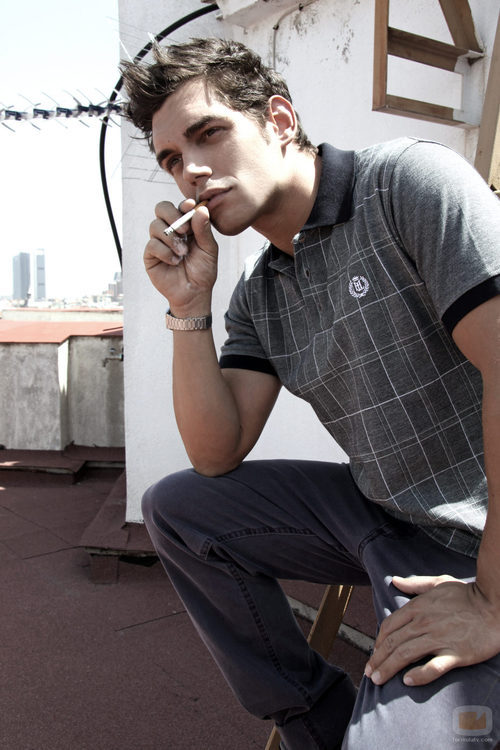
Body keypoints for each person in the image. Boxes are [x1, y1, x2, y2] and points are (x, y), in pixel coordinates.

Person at [121, 37, 500, 749]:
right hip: (379, 510)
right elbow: (215, 452)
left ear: (280, 121)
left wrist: (492, 600)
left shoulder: (406, 185)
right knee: (178, 509)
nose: (190, 171)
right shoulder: (259, 292)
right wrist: (188, 306)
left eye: (209, 133)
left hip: (475, 535)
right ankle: (314, 720)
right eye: (171, 158)